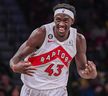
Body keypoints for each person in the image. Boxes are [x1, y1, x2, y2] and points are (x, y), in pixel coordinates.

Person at [9, 3, 97, 96]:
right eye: (58, 19)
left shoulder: (78, 40)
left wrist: (91, 75)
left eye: (66, 20)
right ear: (54, 19)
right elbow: (17, 57)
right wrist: (14, 67)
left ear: (72, 21)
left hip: (58, 90)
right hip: (32, 89)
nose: (61, 24)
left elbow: (82, 70)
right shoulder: (41, 33)